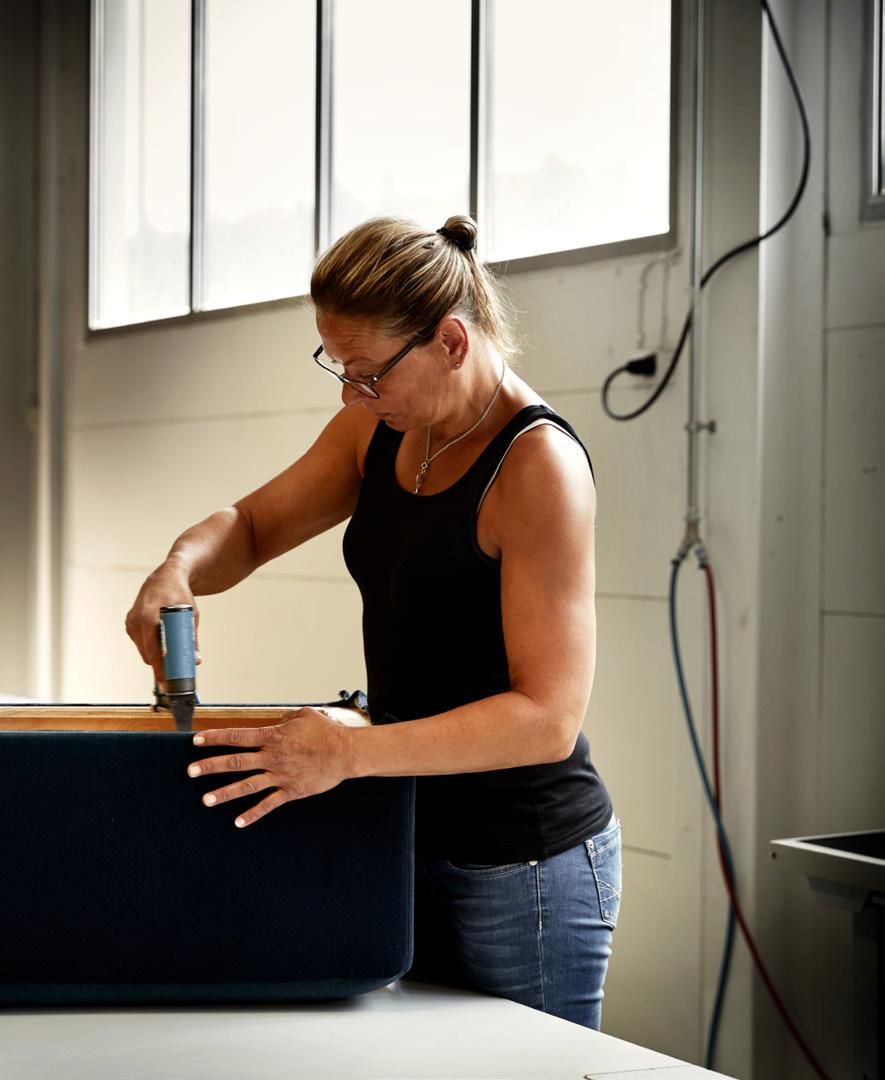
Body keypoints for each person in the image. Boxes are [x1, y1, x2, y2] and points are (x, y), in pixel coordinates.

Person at [126, 214, 621, 1030]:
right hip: (408, 828)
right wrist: (176, 569)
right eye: (339, 369)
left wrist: (347, 752)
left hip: (525, 862)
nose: (349, 395)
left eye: (366, 374)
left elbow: (546, 720)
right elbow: (251, 526)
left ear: (450, 342)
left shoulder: (538, 468)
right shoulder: (380, 427)